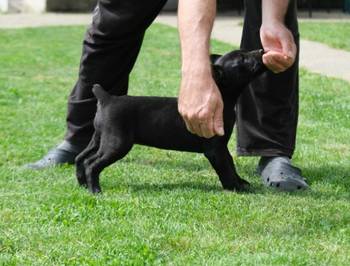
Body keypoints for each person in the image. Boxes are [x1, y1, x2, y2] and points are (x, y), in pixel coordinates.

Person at [26, 0, 309, 191]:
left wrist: (273, 19)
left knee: (272, 31)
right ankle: (81, 136)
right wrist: (196, 71)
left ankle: (272, 150)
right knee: (116, 17)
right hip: (116, 110)